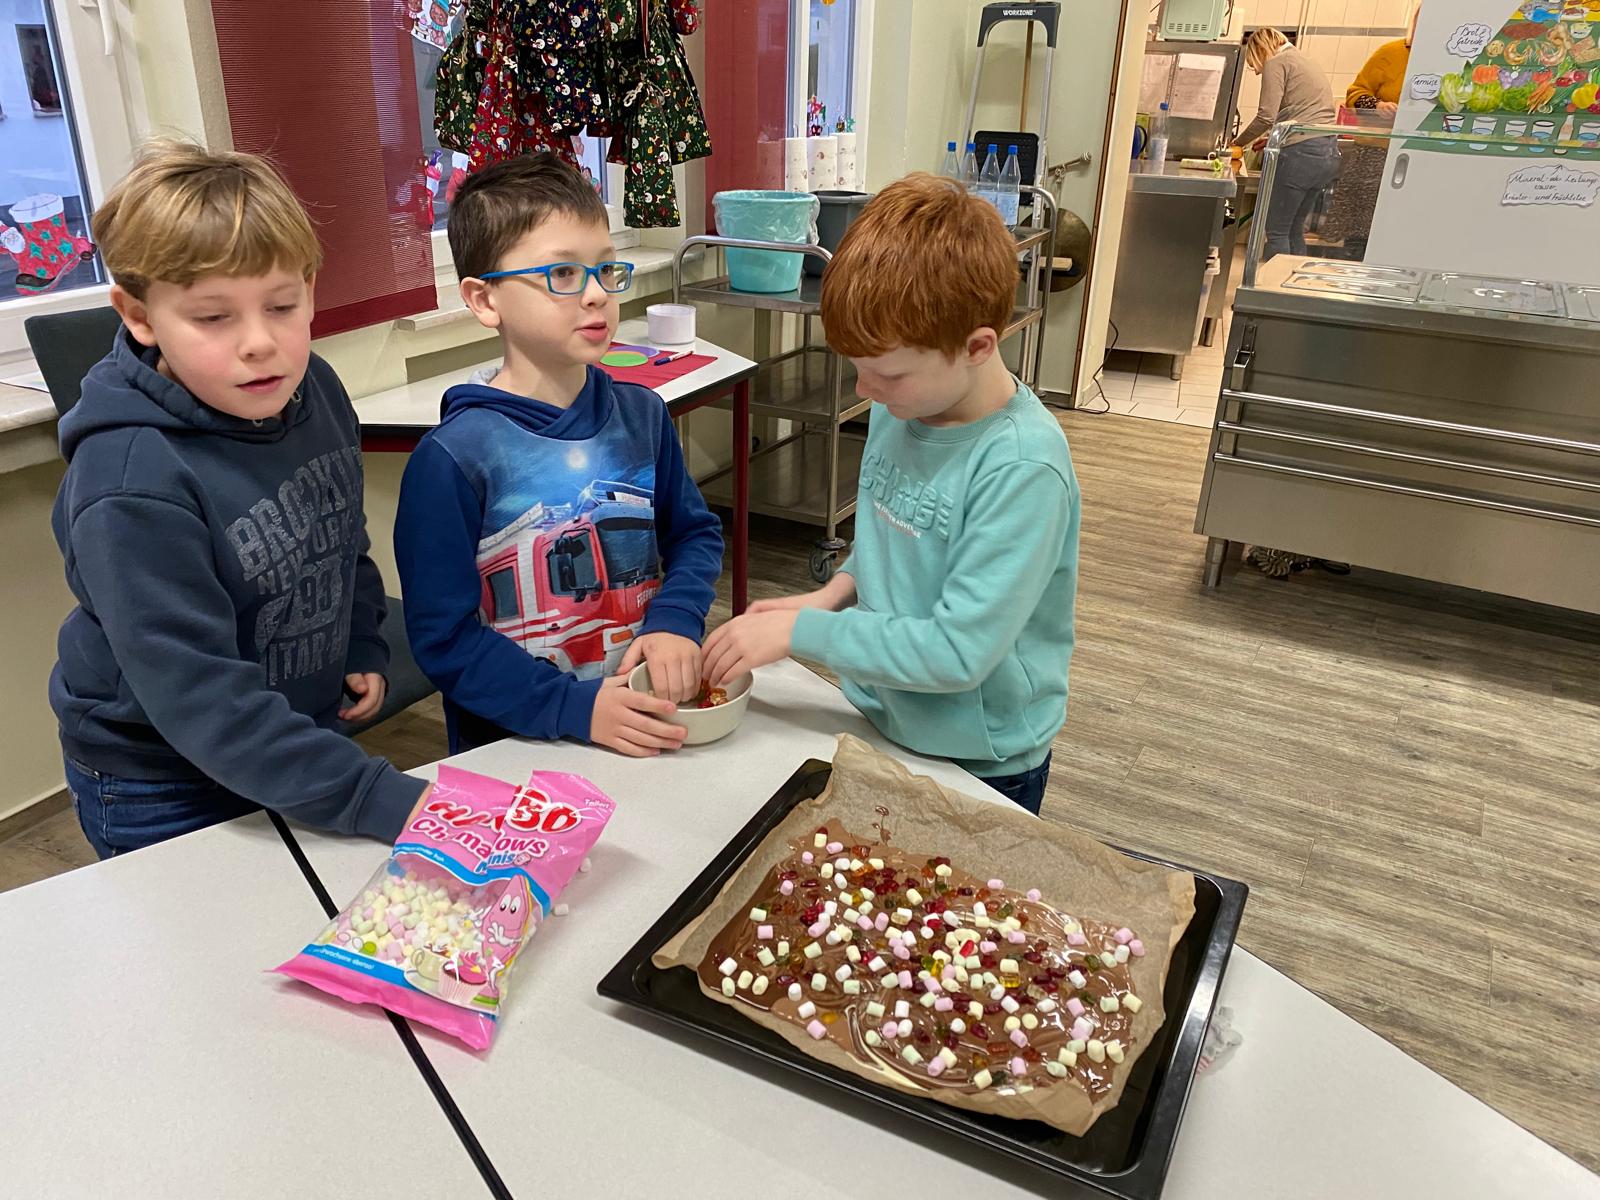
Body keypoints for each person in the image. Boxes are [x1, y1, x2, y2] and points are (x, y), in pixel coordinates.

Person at [50, 140, 431, 859]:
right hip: (163, 781)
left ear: (310, 289)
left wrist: (360, 639)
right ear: (139, 315)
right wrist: (377, 798)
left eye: (282, 306)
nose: (261, 343)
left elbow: (339, 539)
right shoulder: (130, 485)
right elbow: (201, 698)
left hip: (288, 731)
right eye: (213, 317)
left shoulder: (314, 387)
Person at [700, 175, 1080, 815]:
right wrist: (832, 594)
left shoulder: (1021, 469)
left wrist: (805, 632)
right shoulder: (900, 407)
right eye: (858, 368)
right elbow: (895, 534)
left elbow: (958, 654)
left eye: (888, 373)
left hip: (980, 758)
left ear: (978, 346)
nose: (865, 391)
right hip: (882, 716)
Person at [395, 152, 723, 758]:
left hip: (644, 721)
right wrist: (575, 708)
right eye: (563, 274)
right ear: (484, 300)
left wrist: (676, 619)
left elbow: (695, 535)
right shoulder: (451, 460)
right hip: (517, 750)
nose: (596, 294)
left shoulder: (644, 415)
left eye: (605, 269)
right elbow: (445, 641)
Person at [1320, 6, 1417, 259]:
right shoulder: (1391, 53)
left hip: (1422, 159)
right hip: (1375, 153)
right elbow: (1355, 93)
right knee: (1360, 232)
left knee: (1403, 232)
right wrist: (1377, 106)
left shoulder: (1452, 64)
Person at [1233, 28, 1338, 259]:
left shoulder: (1276, 62)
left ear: (1261, 50)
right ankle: (1289, 282)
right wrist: (1273, 138)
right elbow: (1305, 112)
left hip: (1301, 156)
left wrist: (1236, 144)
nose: (1257, 71)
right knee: (1294, 229)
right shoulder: (1304, 59)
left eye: (1254, 64)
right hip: (1327, 152)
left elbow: (1266, 116)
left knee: (1276, 230)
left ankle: (1270, 282)